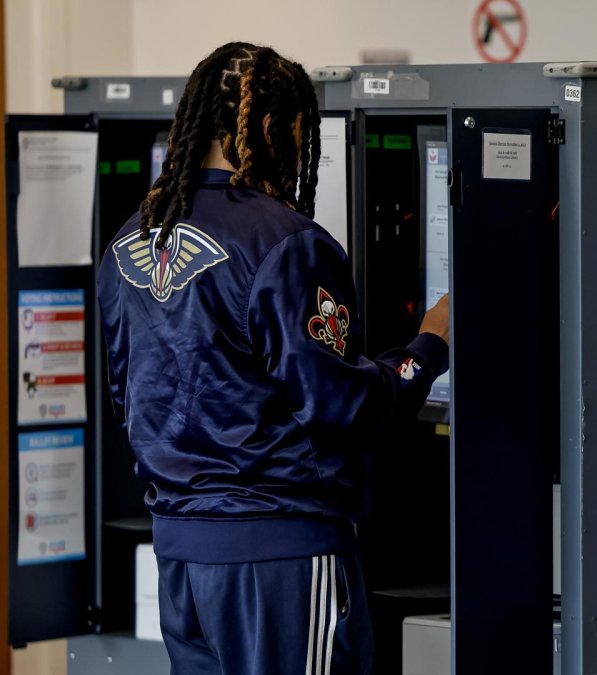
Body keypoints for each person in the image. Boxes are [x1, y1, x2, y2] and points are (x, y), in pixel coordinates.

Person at [96, 42, 448, 675]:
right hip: (282, 552)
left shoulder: (129, 240)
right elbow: (341, 405)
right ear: (265, 128)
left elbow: (131, 397)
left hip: (179, 556)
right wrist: (428, 346)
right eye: (293, 131)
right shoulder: (285, 243)